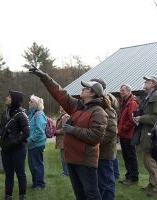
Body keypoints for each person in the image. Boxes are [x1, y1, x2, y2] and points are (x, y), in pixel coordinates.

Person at [29, 67, 108, 200]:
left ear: (93, 93)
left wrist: (73, 130)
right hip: (72, 158)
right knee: (79, 194)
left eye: (86, 88)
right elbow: (60, 93)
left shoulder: (99, 112)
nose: (82, 89)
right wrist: (44, 76)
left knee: (91, 194)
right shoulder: (78, 106)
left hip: (85, 160)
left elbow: (96, 136)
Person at [0, 90, 30, 200]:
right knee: (8, 174)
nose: (6, 98)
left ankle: (22, 196)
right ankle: (8, 196)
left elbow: (27, 132)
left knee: (20, 174)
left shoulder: (21, 114)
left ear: (14, 99)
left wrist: (15, 142)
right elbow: (1, 128)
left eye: (9, 97)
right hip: (5, 150)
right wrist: (0, 140)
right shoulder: (4, 113)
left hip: (18, 150)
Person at [132, 75, 157, 195]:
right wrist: (136, 116)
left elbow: (156, 118)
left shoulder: (156, 98)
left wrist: (141, 118)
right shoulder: (147, 97)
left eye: (148, 81)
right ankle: (152, 184)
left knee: (150, 161)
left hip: (151, 133)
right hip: (145, 132)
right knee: (147, 160)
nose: (145, 82)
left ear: (154, 84)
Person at [90, 78, 118, 200]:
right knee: (98, 181)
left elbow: (111, 132)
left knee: (106, 182)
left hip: (105, 152)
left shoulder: (107, 106)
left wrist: (94, 142)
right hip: (97, 151)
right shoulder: (97, 104)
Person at [117, 84, 139, 185]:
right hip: (123, 134)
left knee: (131, 156)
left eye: (123, 91)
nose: (121, 92)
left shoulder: (132, 103)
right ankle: (128, 175)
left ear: (129, 91)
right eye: (121, 90)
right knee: (126, 156)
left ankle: (133, 178)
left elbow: (132, 120)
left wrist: (122, 128)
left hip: (129, 135)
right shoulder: (124, 102)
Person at [27, 95, 47, 190]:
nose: (29, 103)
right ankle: (35, 182)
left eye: (31, 101)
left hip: (36, 144)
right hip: (31, 145)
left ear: (36, 104)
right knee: (32, 165)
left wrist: (31, 140)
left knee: (37, 165)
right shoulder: (32, 114)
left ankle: (40, 184)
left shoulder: (39, 114)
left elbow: (40, 131)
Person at [55, 106, 70, 176]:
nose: (60, 107)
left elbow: (64, 129)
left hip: (64, 140)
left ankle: (66, 172)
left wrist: (55, 131)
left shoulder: (65, 116)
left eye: (61, 106)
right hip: (62, 139)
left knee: (64, 157)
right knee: (63, 157)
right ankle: (65, 171)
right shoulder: (62, 115)